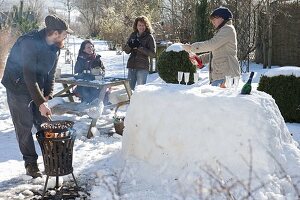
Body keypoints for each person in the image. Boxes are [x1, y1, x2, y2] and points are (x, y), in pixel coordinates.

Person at [1, 15, 72, 178]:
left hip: (36, 87)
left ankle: (52, 159)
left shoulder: (56, 46)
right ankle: (31, 164)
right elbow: (28, 75)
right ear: (55, 33)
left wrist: (47, 94)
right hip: (17, 87)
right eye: (64, 33)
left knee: (45, 123)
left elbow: (51, 73)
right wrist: (40, 102)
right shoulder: (29, 42)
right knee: (24, 126)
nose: (66, 36)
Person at [183, 7, 240, 87]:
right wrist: (201, 59)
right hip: (221, 75)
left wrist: (191, 47)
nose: (212, 21)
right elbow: (216, 52)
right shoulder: (223, 31)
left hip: (226, 76)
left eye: (214, 18)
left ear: (222, 18)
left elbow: (211, 45)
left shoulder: (228, 29)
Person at [124, 16, 156, 90]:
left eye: (143, 25)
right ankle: (130, 102)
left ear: (146, 26)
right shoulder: (133, 35)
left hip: (142, 67)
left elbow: (153, 54)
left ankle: (140, 102)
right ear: (136, 26)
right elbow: (126, 51)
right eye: (139, 25)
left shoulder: (149, 37)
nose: (141, 27)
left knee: (140, 90)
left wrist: (140, 47)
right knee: (129, 90)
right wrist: (130, 46)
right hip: (132, 66)